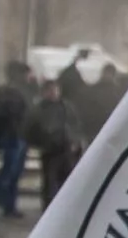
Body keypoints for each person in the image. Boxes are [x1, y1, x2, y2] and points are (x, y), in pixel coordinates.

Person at [0, 61, 32, 220]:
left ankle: (8, 205)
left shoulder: (1, 91)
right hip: (12, 135)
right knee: (9, 172)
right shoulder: (15, 93)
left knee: (12, 172)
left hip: (11, 134)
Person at [27, 76, 86, 207]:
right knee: (50, 183)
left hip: (67, 150)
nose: (54, 93)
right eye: (50, 90)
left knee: (66, 182)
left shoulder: (67, 107)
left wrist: (76, 141)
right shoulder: (39, 109)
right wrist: (41, 144)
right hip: (50, 151)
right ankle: (48, 208)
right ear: (45, 92)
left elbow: (76, 125)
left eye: (56, 90)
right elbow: (31, 129)